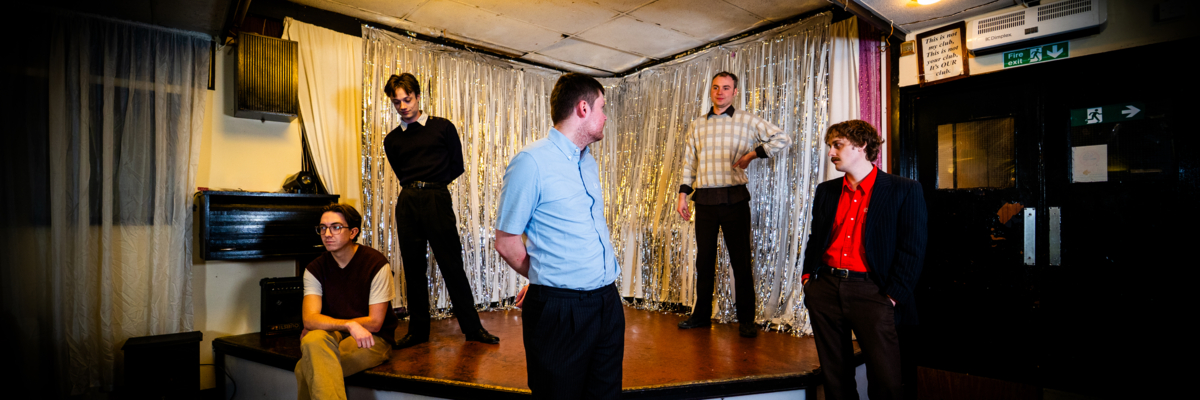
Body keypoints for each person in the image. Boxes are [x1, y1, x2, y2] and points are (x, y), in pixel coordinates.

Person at [494, 73, 624, 399]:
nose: (605, 116)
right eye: (602, 108)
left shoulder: (587, 162)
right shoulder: (531, 162)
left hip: (607, 303)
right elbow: (506, 243)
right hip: (561, 312)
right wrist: (545, 276)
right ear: (583, 108)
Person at [801, 120, 927, 400]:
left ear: (861, 146)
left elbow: (913, 249)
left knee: (887, 382)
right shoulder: (826, 191)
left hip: (873, 291)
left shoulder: (904, 189)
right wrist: (809, 280)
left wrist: (892, 296)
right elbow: (816, 238)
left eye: (838, 145)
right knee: (835, 379)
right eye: (830, 146)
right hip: (825, 289)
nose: (831, 152)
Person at [383, 73, 499, 348]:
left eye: (407, 99)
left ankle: (473, 329)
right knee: (413, 269)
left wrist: (432, 185)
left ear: (418, 96)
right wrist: (417, 188)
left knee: (452, 265)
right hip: (408, 201)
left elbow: (457, 165)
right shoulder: (392, 140)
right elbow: (401, 172)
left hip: (436, 197)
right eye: (397, 102)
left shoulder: (442, 127)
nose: (403, 106)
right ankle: (418, 332)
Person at [676, 71, 792, 338]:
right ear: (711, 90)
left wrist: (753, 154)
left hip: (735, 200)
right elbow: (689, 162)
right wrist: (683, 195)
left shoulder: (747, 120)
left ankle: (746, 320)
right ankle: (701, 315)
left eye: (726, 88)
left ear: (735, 92)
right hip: (704, 200)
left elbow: (782, 138)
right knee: (704, 262)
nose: (720, 92)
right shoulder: (697, 125)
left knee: (740, 261)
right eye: (716, 87)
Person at [295, 204, 397, 400]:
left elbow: (375, 323)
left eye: (336, 227)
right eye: (322, 228)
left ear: (353, 232)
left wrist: (330, 323)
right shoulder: (315, 269)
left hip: (372, 338)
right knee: (313, 339)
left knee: (303, 369)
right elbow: (309, 319)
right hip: (334, 333)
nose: (327, 234)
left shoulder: (376, 264)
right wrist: (349, 325)